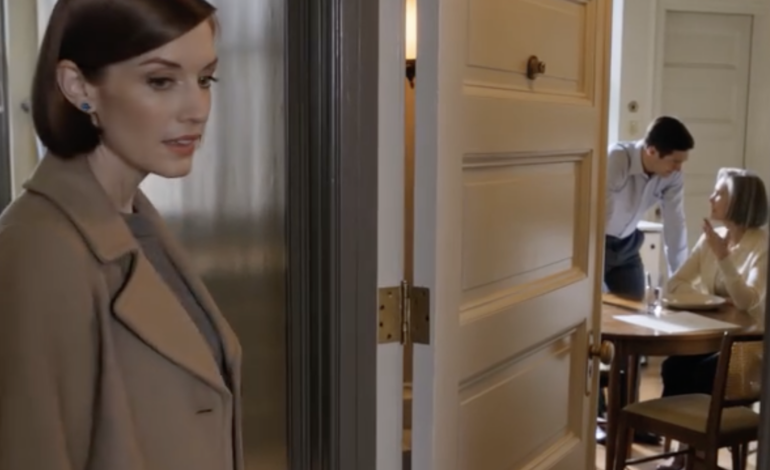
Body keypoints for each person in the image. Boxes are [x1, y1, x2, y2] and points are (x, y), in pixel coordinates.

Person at [0, 1, 243, 469]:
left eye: (205, 79)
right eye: (160, 81)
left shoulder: (137, 223)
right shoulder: (38, 251)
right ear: (78, 86)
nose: (197, 109)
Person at [656, 168, 768, 470]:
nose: (711, 197)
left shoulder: (761, 245)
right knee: (674, 366)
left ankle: (698, 456)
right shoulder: (713, 239)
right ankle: (685, 451)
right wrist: (714, 301)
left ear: (741, 201)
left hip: (748, 348)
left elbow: (747, 301)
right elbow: (676, 284)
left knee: (706, 374)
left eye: (720, 193)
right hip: (714, 338)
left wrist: (724, 258)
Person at [604, 116, 694, 300]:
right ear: (651, 151)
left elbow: (675, 223)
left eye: (682, 162)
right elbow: (598, 217)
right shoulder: (617, 159)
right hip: (596, 242)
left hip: (627, 245)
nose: (679, 168)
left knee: (635, 308)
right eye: (675, 161)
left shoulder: (673, 175)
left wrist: (679, 279)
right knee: (596, 306)